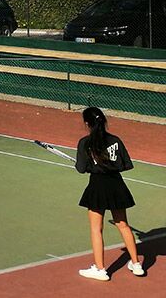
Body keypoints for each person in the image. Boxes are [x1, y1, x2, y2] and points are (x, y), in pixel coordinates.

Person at [75, 106, 145, 281]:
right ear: (103, 121)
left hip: (97, 187)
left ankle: (100, 269)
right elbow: (126, 165)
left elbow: (81, 169)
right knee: (123, 225)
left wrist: (94, 166)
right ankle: (136, 264)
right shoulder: (116, 140)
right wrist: (108, 166)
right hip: (116, 186)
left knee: (96, 229)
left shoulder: (85, 143)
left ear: (87, 123)